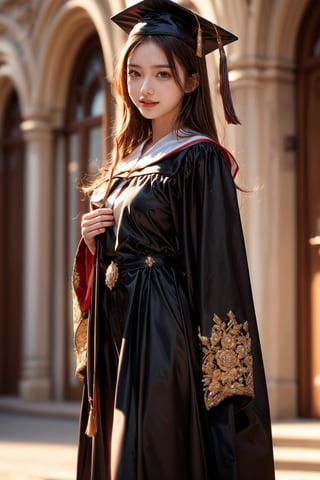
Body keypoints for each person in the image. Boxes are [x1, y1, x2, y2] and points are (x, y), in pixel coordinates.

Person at [72, 0, 275, 479]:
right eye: (136, 73)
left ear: (191, 80)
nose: (145, 88)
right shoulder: (126, 161)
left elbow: (217, 273)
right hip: (117, 336)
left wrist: (222, 387)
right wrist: (90, 239)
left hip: (162, 342)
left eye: (162, 74)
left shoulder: (198, 159)